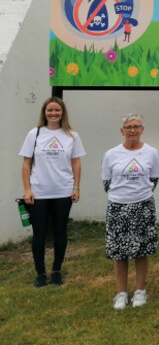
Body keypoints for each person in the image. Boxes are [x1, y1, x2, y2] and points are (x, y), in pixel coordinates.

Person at [19, 97, 86, 287]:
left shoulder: (72, 135)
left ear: (63, 112)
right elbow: (26, 163)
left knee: (60, 232)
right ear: (44, 112)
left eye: (57, 110)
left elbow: (76, 162)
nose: (53, 113)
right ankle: (40, 273)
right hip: (38, 192)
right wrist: (27, 189)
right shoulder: (35, 134)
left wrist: (76, 187)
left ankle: (56, 271)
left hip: (63, 191)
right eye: (50, 110)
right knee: (39, 234)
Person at [101, 113, 159, 310]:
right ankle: (121, 293)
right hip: (118, 207)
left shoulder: (151, 152)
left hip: (143, 206)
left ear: (142, 130)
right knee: (119, 252)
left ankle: (140, 291)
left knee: (141, 250)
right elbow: (107, 182)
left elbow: (154, 180)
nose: (132, 130)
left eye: (136, 126)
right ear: (122, 131)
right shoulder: (111, 154)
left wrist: (137, 194)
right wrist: (123, 196)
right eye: (128, 127)